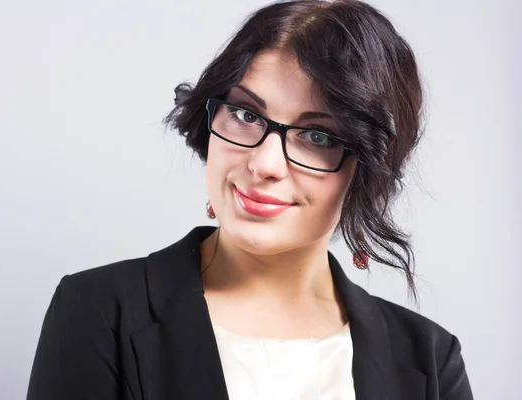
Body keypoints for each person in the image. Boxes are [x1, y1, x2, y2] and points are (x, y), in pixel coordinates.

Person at [26, 0, 473, 399]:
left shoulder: (430, 359)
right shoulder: (99, 312)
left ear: (366, 171)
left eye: (317, 136)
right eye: (245, 114)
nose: (264, 163)